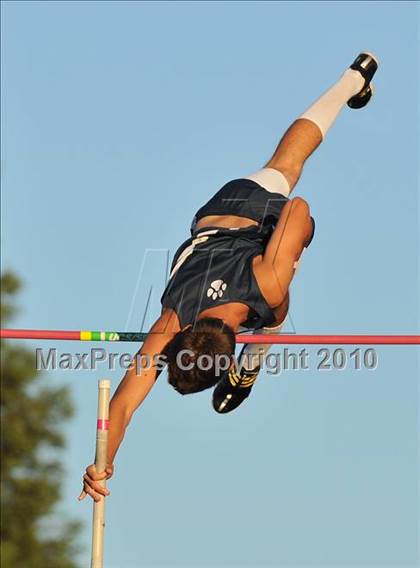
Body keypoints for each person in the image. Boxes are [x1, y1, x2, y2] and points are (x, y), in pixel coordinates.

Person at [79, 52, 378, 502]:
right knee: (285, 163)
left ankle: (252, 363)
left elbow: (299, 209)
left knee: (278, 302)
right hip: (219, 211)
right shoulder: (172, 322)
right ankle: (352, 80)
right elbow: (120, 407)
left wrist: (288, 246)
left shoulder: (258, 287)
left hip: (254, 221)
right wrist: (103, 460)